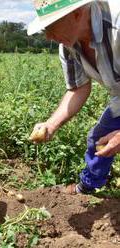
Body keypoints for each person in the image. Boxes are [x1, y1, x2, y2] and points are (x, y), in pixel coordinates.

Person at [27, 0, 120, 194]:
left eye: (52, 27)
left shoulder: (117, 26)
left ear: (77, 14)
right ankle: (89, 186)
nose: (48, 36)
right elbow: (78, 89)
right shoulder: (69, 45)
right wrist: (51, 125)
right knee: (99, 138)